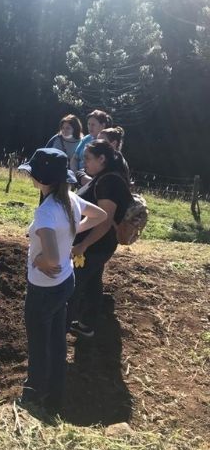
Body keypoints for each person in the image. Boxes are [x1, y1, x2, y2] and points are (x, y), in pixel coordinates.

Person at [17, 148, 106, 414]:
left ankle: (32, 395)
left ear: (40, 180)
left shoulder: (46, 213)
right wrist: (70, 229)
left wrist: (37, 260)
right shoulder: (69, 198)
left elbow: (53, 260)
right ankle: (55, 396)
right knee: (56, 340)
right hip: (66, 284)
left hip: (43, 289)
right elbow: (99, 216)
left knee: (38, 342)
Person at [68, 140, 133, 338]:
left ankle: (61, 325)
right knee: (92, 281)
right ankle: (87, 324)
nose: (83, 162)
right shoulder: (106, 178)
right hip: (100, 246)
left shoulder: (109, 182)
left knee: (73, 284)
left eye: (87, 158)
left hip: (95, 246)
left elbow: (104, 221)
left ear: (102, 159)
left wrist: (82, 244)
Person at [71, 109, 112, 184]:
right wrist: (75, 174)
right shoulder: (86, 138)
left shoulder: (107, 142)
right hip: (79, 177)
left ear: (103, 125)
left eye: (93, 124)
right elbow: (74, 158)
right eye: (88, 124)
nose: (90, 127)